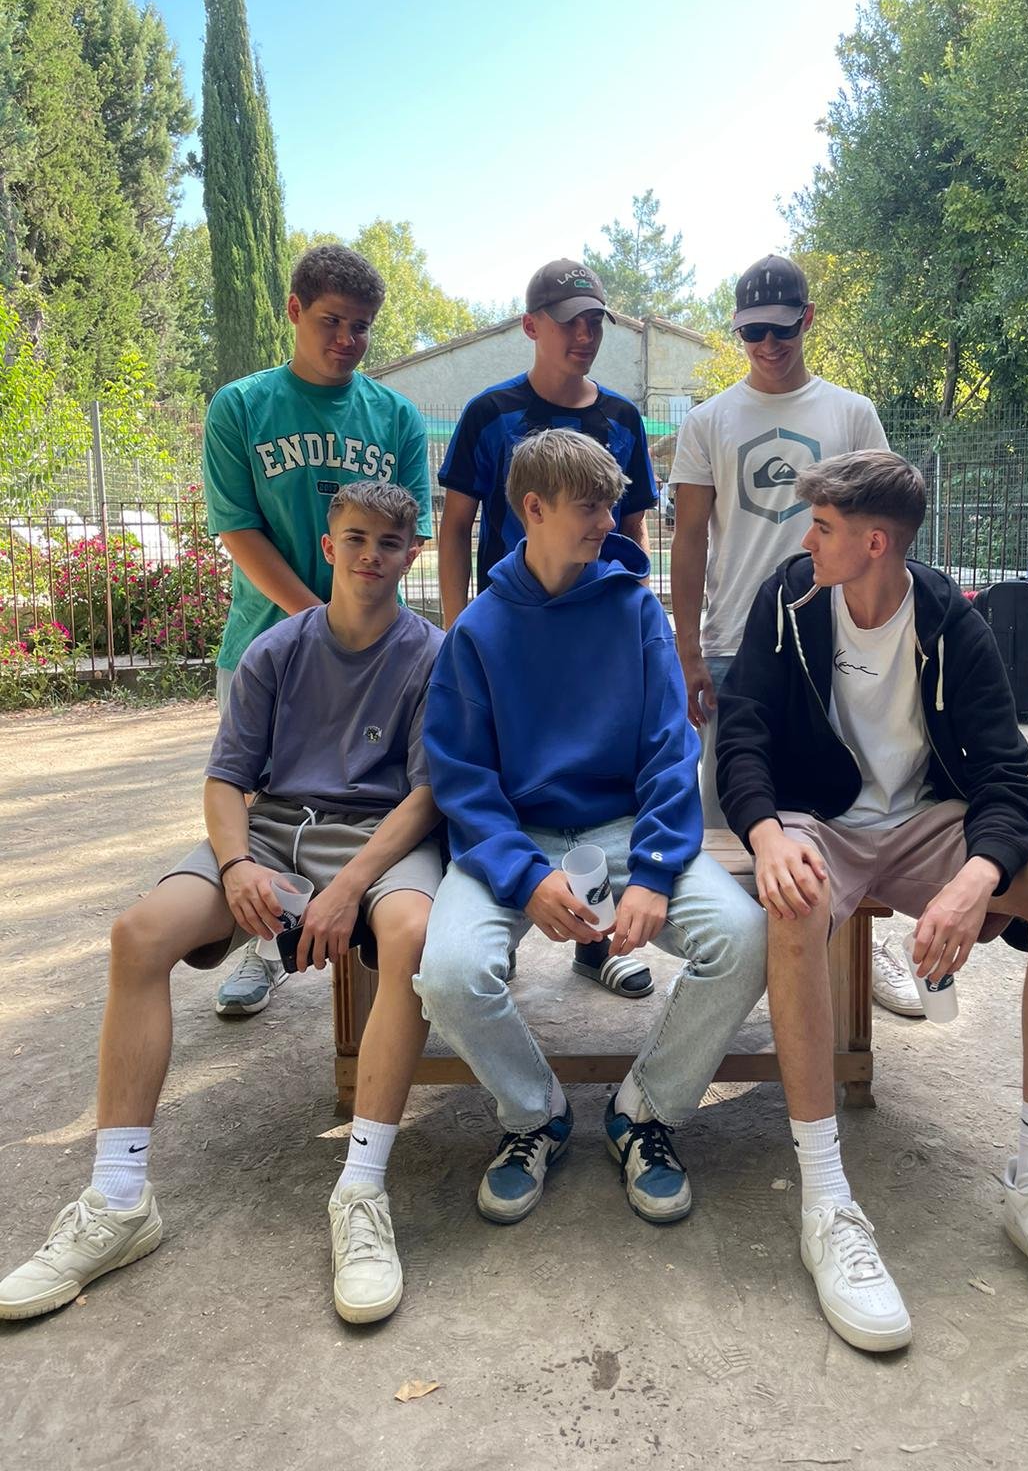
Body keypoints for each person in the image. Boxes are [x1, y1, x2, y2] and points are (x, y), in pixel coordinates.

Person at [0, 483, 443, 1326]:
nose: (371, 556)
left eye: (390, 542)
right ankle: (119, 1198)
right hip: (270, 831)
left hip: (378, 836)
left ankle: (361, 1190)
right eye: (355, 538)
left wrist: (349, 888)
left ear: (412, 553)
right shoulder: (277, 650)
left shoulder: (432, 654)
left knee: (413, 932)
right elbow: (226, 777)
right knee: (138, 934)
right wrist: (236, 865)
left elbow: (427, 797)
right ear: (328, 546)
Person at [716, 450, 1028, 1353]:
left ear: (875, 543)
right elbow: (741, 732)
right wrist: (766, 832)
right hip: (821, 822)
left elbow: (1006, 778)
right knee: (794, 899)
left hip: (927, 821)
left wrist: (977, 878)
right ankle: (827, 1200)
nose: (805, 542)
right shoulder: (789, 601)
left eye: (822, 528)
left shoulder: (950, 624)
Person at [415, 430, 766, 1227]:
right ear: (534, 510)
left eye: (611, 504)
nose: (610, 521)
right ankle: (533, 1113)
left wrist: (653, 870)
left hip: (625, 829)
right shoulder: (477, 631)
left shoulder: (634, 610)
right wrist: (525, 876)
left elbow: (670, 751)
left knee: (744, 939)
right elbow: (463, 780)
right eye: (590, 507)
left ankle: (644, 1110)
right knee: (450, 974)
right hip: (514, 841)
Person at [668, 255, 916, 1018]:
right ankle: (729, 970)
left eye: (780, 330)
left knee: (850, 798)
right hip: (734, 639)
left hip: (833, 636)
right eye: (752, 334)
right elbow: (689, 539)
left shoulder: (851, 414)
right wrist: (686, 649)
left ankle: (862, 945)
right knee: (732, 812)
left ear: (807, 319)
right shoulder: (709, 420)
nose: (767, 346)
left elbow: (885, 523)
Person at [203, 243, 433, 1018]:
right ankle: (260, 949)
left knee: (362, 798)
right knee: (256, 800)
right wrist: (318, 623)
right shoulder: (241, 406)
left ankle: (360, 926)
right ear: (295, 310)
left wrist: (353, 626)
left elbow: (410, 526)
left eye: (361, 326)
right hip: (265, 641)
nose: (347, 339)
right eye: (332, 321)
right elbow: (238, 528)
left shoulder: (394, 416)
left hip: (370, 651)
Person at [436, 258, 660, 1001]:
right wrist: (456, 626)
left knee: (594, 771)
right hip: (514, 634)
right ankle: (490, 937)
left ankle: (598, 944)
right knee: (503, 776)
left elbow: (633, 530)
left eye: (595, 321)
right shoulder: (489, 413)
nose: (584, 335)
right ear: (532, 327)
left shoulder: (623, 418)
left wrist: (630, 620)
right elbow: (456, 524)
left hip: (595, 630)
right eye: (570, 322)